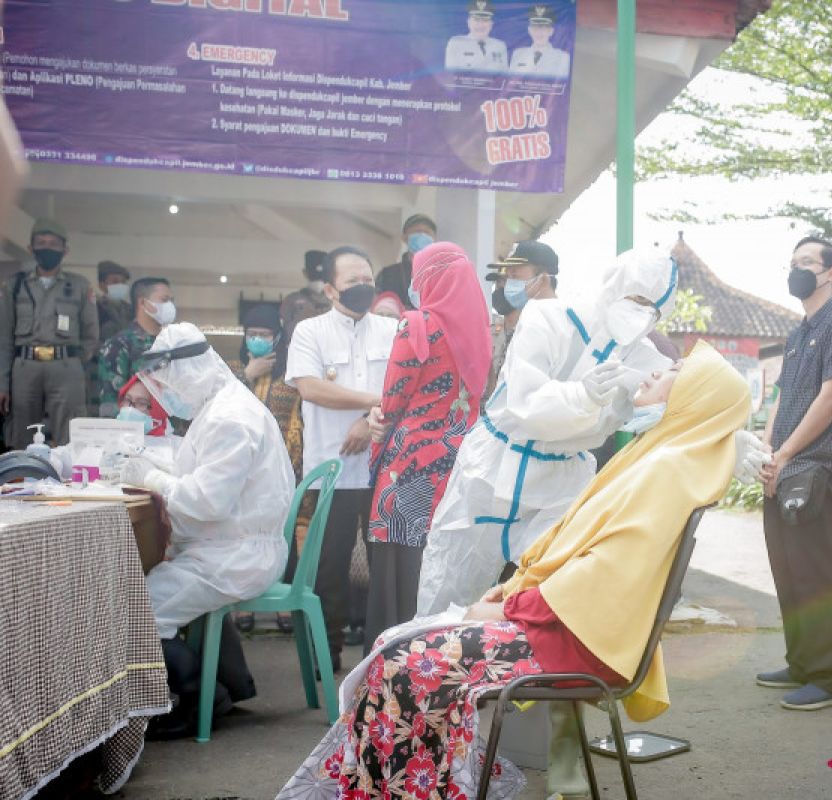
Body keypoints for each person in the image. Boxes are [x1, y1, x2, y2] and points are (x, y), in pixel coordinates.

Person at [279, 340, 751, 799]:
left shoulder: (666, 467)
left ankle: (409, 789)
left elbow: (606, 573)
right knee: (392, 648)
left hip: (573, 636)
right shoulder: (659, 454)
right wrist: (510, 595)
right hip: (566, 623)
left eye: (674, 373)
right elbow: (579, 551)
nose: (655, 371)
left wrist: (515, 607)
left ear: (694, 398)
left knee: (406, 664)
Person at [416, 249, 678, 617]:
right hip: (493, 466)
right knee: (446, 588)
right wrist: (581, 395)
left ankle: (519, 671)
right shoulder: (548, 318)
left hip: (561, 480)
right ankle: (431, 667)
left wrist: (728, 439)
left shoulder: (645, 358)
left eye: (650, 306)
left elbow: (682, 402)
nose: (638, 311)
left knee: (551, 597)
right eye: (633, 296)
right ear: (611, 285)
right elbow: (526, 405)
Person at [118, 323, 293, 737]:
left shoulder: (229, 418)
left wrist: (152, 478)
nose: (165, 394)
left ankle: (202, 697)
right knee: (149, 595)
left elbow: (207, 502)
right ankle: (227, 685)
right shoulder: (219, 407)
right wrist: (153, 469)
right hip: (229, 547)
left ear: (189, 372)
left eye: (166, 383)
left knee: (136, 609)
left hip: (234, 555)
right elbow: (198, 477)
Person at [755, 236, 832, 712]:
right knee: (790, 569)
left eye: (807, 262)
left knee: (821, 572)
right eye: (793, 261)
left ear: (831, 272)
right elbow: (783, 395)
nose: (797, 270)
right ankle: (803, 663)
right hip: (782, 466)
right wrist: (767, 447)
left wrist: (788, 453)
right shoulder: (799, 330)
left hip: (817, 466)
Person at [362, 242, 492, 650]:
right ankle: (439, 664)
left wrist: (376, 424)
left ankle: (392, 666)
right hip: (456, 462)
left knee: (397, 569)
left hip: (409, 462)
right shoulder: (479, 331)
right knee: (437, 564)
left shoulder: (417, 325)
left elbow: (393, 398)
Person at [287, 246, 397, 672]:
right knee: (327, 567)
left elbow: (402, 389)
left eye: (367, 279)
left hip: (381, 469)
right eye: (353, 281)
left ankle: (380, 659)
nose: (363, 287)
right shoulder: (310, 332)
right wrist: (371, 404)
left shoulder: (390, 330)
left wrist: (366, 423)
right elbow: (310, 388)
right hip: (329, 470)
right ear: (331, 289)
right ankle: (324, 655)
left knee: (383, 566)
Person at [226, 302, 310, 634]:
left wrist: (290, 466)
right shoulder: (232, 370)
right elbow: (221, 408)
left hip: (281, 470)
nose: (257, 339)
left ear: (277, 338)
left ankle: (284, 608)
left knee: (281, 535)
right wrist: (248, 375)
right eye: (252, 334)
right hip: (239, 469)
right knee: (241, 536)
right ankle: (241, 605)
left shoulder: (291, 376)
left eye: (264, 334)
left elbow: (298, 423)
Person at [0, 217, 99, 448]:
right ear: (30, 248)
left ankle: (69, 481)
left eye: (54, 244)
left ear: (65, 250)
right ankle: (21, 479)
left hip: (66, 367)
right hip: (25, 367)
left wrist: (71, 360)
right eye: (41, 242)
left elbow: (91, 334)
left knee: (71, 433)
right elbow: (3, 338)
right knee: (22, 433)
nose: (47, 248)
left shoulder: (80, 286)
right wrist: (2, 384)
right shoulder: (14, 285)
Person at [483, 239, 559, 398]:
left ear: (543, 279)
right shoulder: (529, 324)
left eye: (514, 275)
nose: (507, 285)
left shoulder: (560, 327)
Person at [97, 277, 174, 418]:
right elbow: (111, 403)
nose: (170, 306)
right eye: (164, 300)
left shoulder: (172, 344)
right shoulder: (119, 344)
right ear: (143, 302)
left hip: (173, 434)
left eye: (171, 301)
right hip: (136, 433)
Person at [377, 213, 437, 308]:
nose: (422, 235)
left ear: (434, 239)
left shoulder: (441, 274)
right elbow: (378, 305)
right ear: (404, 238)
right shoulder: (387, 274)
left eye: (427, 232)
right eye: (417, 231)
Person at [509, 4, 571, 78]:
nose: (539, 32)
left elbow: (562, 85)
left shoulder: (563, 57)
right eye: (535, 27)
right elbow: (511, 80)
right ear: (529, 30)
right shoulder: (518, 54)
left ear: (551, 31)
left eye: (543, 27)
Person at [445, 1, 508, 73]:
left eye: (485, 20)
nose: (480, 25)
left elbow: (504, 77)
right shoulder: (456, 43)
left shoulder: (499, 46)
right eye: (476, 20)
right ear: (469, 22)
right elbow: (451, 75)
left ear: (491, 24)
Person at [280, 249, 332, 338]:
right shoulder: (292, 300)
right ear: (305, 272)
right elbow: (286, 332)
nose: (318, 280)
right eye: (314, 275)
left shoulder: (336, 300)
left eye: (321, 276)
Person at [96, 260, 133, 342]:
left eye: (123, 282)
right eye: (115, 281)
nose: (120, 285)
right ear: (102, 285)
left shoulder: (131, 310)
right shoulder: (95, 309)